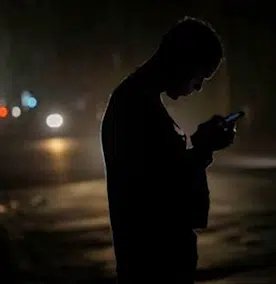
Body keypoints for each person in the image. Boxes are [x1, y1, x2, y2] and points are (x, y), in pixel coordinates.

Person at [100, 17, 234, 283]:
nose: (198, 86)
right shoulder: (135, 107)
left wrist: (198, 145)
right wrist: (203, 147)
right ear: (183, 60)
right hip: (153, 266)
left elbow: (166, 168)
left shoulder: (139, 102)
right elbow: (158, 189)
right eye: (201, 76)